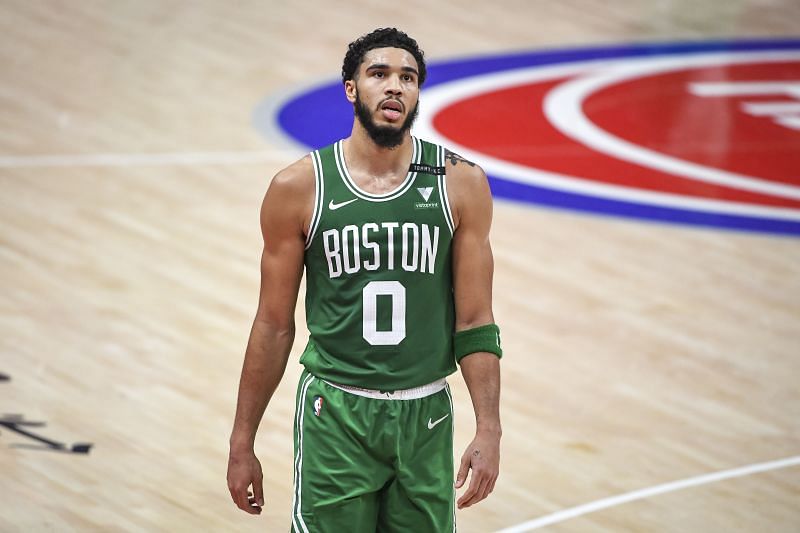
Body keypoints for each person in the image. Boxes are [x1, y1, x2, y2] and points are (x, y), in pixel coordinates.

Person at [227, 27, 502, 532]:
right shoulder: (298, 187)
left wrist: (489, 427)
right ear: (352, 89)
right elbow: (272, 324)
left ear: (419, 93)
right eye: (379, 74)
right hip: (336, 411)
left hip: (426, 413)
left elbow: (476, 319)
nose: (394, 86)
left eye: (408, 77)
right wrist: (242, 439)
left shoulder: (461, 183)